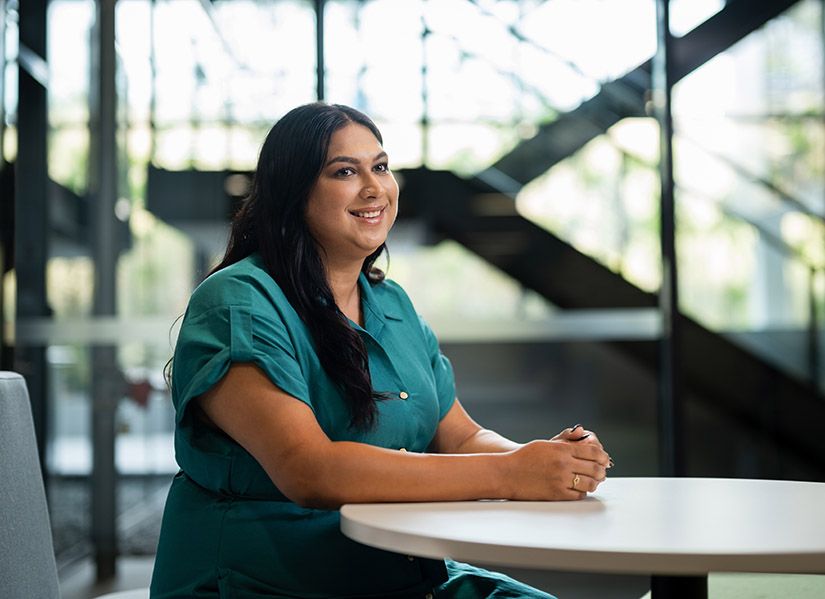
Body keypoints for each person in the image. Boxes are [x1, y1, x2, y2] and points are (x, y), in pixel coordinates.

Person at [150, 102, 611, 598]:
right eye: (345, 171)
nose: (375, 188)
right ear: (293, 192)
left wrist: (542, 460)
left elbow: (459, 437)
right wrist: (511, 473)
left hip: (404, 574)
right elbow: (310, 470)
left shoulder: (391, 305)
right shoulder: (238, 301)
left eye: (381, 167)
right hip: (272, 581)